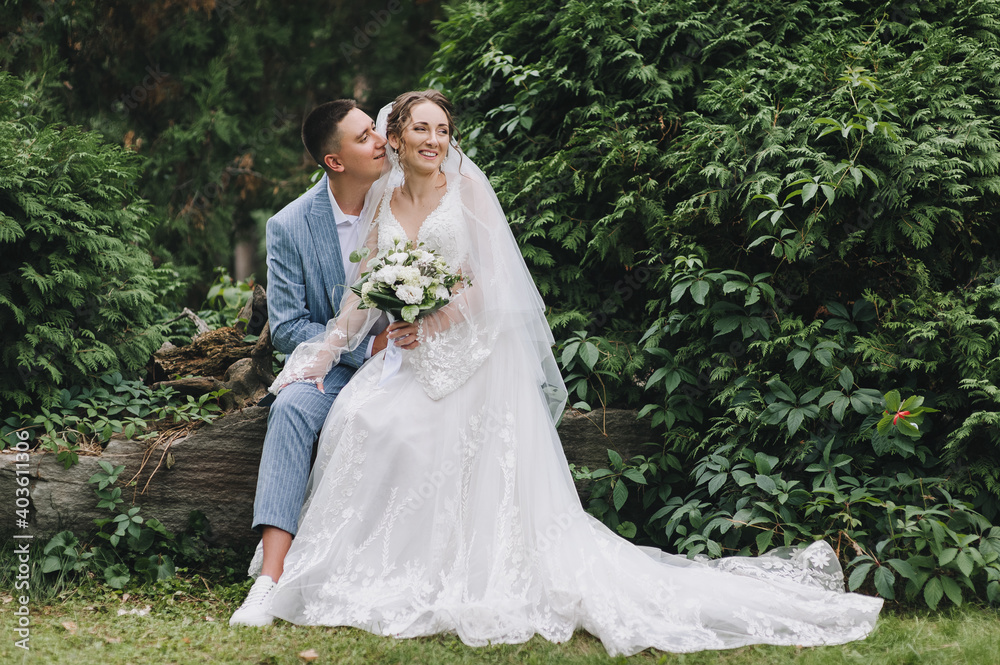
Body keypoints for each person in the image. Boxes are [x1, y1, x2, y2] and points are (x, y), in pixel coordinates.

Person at [238, 90, 883, 656]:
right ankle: (322, 572)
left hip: (471, 352)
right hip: (407, 356)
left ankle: (466, 570)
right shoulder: (382, 198)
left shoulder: (465, 189)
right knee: (360, 417)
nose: (434, 140)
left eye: (443, 130)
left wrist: (431, 320)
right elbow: (362, 293)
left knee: (412, 427)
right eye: (420, 130)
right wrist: (324, 352)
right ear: (398, 137)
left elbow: (495, 288)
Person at [229, 100, 389, 627]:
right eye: (366, 136)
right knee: (292, 409)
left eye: (376, 129)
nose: (381, 140)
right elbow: (290, 325)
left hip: (412, 356)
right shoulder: (289, 225)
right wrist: (363, 348)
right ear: (335, 161)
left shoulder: (405, 200)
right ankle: (268, 582)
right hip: (332, 363)